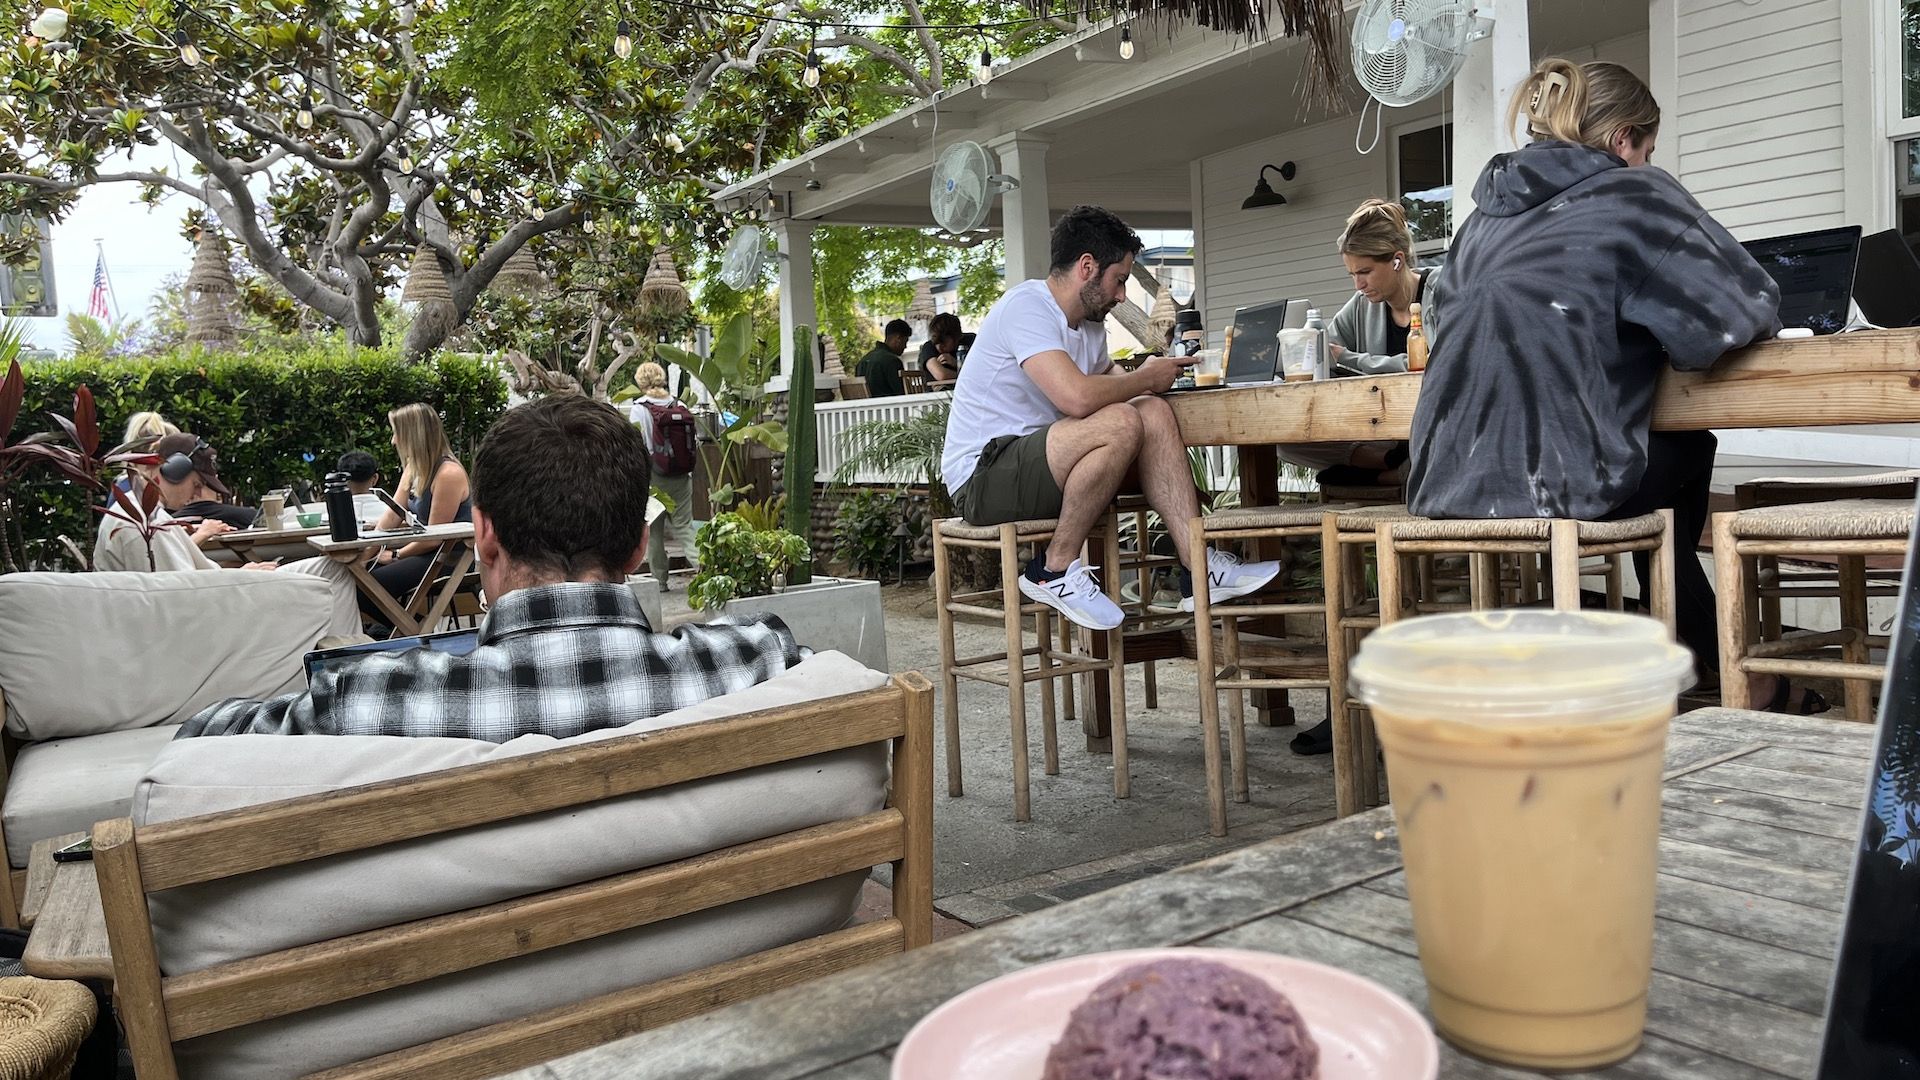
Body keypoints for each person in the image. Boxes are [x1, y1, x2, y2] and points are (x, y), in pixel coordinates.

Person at [1405, 58, 1813, 713]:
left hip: (1444, 483)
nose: (1648, 163)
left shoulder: (1480, 221)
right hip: (1555, 488)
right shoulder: (1634, 193)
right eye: (1647, 150)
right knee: (1689, 451)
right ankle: (1718, 663)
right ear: (1625, 140)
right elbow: (1737, 316)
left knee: (1662, 472)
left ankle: (1700, 657)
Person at [179, 394, 806, 739]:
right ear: (639, 545)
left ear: (484, 537)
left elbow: (201, 739)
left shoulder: (360, 703)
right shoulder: (760, 659)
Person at [940, 204, 1281, 631]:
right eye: (1119, 280)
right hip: (983, 477)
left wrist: (1159, 380)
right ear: (1087, 267)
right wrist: (1143, 378)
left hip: (1047, 467)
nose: (1122, 296)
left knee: (1151, 412)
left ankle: (1200, 570)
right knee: (1122, 420)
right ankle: (1053, 569)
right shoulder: (1026, 307)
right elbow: (1077, 399)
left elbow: (1120, 385)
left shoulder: (1090, 326)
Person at [94, 433, 363, 635]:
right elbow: (182, 598)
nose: (197, 495)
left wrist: (240, 572)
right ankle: (346, 668)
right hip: (215, 609)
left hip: (219, 594)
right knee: (332, 571)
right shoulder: (143, 521)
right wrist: (242, 576)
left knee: (330, 568)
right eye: (196, 484)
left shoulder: (146, 513)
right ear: (171, 471)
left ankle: (339, 659)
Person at [1280, 200, 1430, 494]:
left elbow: (1434, 362)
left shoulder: (1439, 293)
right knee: (1287, 443)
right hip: (1382, 431)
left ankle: (1385, 474)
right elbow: (1330, 350)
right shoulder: (1362, 305)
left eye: (1365, 272)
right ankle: (1394, 469)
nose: (1358, 284)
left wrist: (1350, 358)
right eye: (1352, 274)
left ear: (1397, 260)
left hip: (1433, 423)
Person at [362, 404, 472, 621]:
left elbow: (434, 537)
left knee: (366, 587)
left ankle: (414, 630)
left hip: (450, 559)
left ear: (413, 435)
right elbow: (393, 515)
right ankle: (405, 629)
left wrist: (395, 555)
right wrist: (364, 556)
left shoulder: (448, 474)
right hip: (425, 553)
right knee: (358, 577)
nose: (393, 441)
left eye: (397, 433)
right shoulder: (414, 468)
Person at [630, 361, 701, 588]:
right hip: (681, 476)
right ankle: (705, 569)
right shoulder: (679, 405)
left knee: (655, 532)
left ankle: (660, 581)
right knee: (685, 527)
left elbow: (638, 444)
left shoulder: (639, 408)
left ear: (640, 381)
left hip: (654, 475)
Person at [855, 320, 910, 397]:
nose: (905, 346)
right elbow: (903, 394)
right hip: (891, 404)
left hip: (866, 405)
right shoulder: (892, 361)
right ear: (898, 338)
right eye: (905, 342)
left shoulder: (862, 362)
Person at [920, 313, 965, 382]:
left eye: (943, 342)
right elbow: (941, 375)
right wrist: (967, 376)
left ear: (956, 337)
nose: (939, 347)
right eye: (936, 343)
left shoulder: (969, 341)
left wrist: (956, 363)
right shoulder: (928, 347)